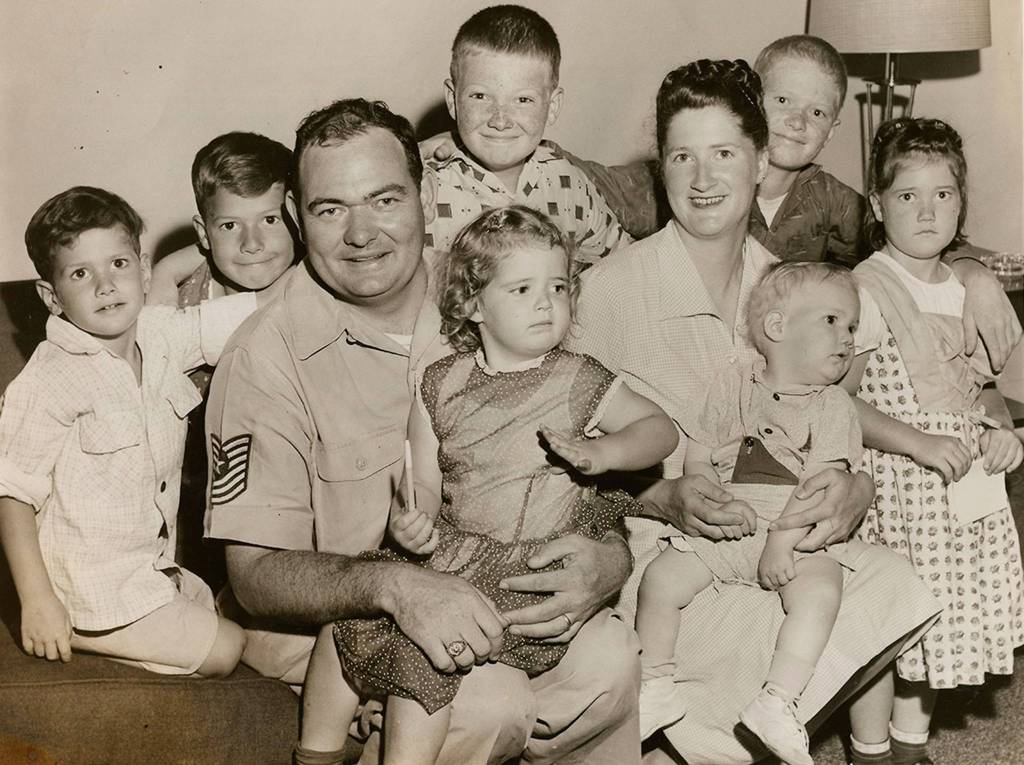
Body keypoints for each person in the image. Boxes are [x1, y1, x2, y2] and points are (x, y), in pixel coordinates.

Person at [204, 98, 641, 765]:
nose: (361, 234)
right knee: (489, 699)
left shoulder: (492, 293)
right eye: (330, 209)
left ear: (425, 191)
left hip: (490, 585)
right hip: (337, 630)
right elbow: (256, 574)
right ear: (296, 214)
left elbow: (595, 449)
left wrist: (608, 555)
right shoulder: (264, 358)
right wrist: (396, 587)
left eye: (384, 199)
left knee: (613, 651)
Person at [563, 59, 942, 765]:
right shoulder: (608, 294)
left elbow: (828, 409)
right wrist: (661, 494)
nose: (703, 179)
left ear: (762, 160)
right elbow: (564, 474)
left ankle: (755, 718)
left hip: (773, 531)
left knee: (897, 579)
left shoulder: (785, 284)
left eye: (725, 153)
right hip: (661, 554)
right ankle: (690, 723)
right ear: (660, 167)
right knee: (731, 610)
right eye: (682, 155)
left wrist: (857, 486)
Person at [296, 205, 677, 765]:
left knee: (427, 657)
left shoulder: (579, 377)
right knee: (343, 629)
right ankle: (315, 753)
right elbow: (424, 477)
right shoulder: (439, 382)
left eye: (558, 286)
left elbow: (660, 430)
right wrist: (416, 516)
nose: (547, 302)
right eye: (522, 288)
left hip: (526, 576)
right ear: (473, 304)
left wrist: (604, 452)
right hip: (452, 558)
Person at [428, 33, 1021, 371]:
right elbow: (569, 173)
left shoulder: (836, 203)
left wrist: (973, 272)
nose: (796, 122)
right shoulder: (640, 219)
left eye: (816, 112)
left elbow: (912, 234)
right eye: (684, 157)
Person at [0, 186, 262, 676]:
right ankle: (76, 627)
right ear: (51, 297)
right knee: (228, 648)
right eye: (81, 273)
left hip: (149, 570)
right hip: (84, 589)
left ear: (142, 269)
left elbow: (252, 313)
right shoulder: (49, 378)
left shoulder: (161, 335)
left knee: (237, 611)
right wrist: (37, 602)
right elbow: (11, 493)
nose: (105, 285)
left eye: (118, 264)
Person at [841, 117, 1024, 765]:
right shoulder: (866, 288)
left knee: (937, 625)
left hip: (961, 493)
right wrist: (915, 442)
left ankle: (912, 746)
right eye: (908, 195)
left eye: (943, 194)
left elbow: (984, 391)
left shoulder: (966, 288)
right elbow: (840, 402)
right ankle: (868, 747)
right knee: (888, 627)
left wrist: (1002, 434)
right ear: (877, 204)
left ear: (962, 202)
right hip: (897, 486)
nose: (926, 210)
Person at [636, 262, 871, 765]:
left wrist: (784, 541)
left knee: (822, 592)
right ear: (777, 327)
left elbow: (820, 486)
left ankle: (777, 701)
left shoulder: (833, 406)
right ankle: (655, 683)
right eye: (832, 321)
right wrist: (701, 486)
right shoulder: (733, 383)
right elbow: (700, 448)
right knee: (660, 579)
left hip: (795, 531)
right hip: (727, 525)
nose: (848, 338)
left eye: (852, 327)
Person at [147, 132, 299, 587]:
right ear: (203, 232)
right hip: (185, 489)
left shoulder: (307, 289)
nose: (252, 242)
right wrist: (162, 273)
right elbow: (151, 348)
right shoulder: (185, 288)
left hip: (277, 491)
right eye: (230, 226)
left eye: (270, 219)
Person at [425, 4, 630, 267]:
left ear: (552, 106)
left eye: (523, 99)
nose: (500, 120)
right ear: (453, 100)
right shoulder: (426, 190)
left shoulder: (568, 182)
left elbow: (623, 261)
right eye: (480, 96)